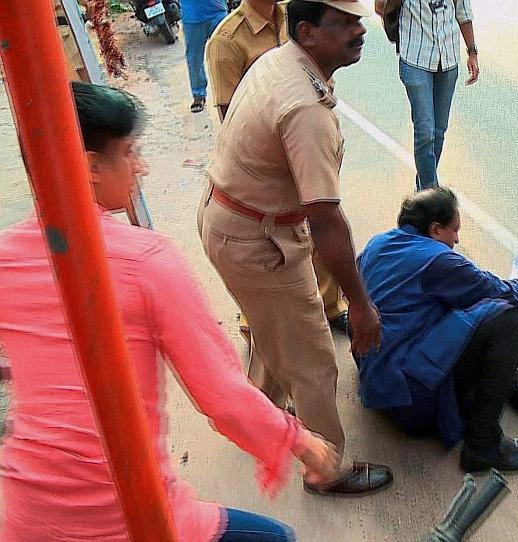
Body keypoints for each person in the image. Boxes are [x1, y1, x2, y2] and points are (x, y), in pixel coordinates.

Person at [0, 81, 340, 541]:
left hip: (24, 515)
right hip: (123, 513)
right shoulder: (146, 261)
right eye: (128, 152)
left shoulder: (6, 257)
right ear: (90, 167)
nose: (139, 166)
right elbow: (220, 393)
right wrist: (301, 443)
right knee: (276, 538)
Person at [199, 0, 393, 495]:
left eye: (357, 19)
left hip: (231, 217)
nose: (359, 29)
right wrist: (361, 304)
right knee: (313, 359)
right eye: (344, 23)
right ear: (307, 32)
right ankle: (325, 469)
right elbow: (327, 219)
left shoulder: (279, 60)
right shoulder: (305, 109)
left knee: (271, 328)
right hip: (256, 237)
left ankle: (258, 418)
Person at [356, 188, 518, 472]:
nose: (456, 239)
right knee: (504, 318)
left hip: (378, 382)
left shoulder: (376, 246)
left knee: (464, 314)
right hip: (410, 401)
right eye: (454, 231)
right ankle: (484, 444)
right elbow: (507, 296)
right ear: (435, 229)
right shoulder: (438, 260)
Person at [204, 0, 349, 342]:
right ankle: (255, 317)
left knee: (319, 226)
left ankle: (330, 304)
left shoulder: (295, 15)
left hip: (307, 145)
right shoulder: (227, 41)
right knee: (275, 254)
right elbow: (233, 118)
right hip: (267, 164)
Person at [396, 0, 480, 190]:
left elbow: (463, 13)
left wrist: (472, 52)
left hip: (448, 59)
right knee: (425, 132)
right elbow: (381, 7)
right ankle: (430, 193)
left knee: (438, 132)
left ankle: (423, 188)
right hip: (415, 57)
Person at [181, 0, 228, 112]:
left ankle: (231, 91)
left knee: (226, 54)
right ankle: (198, 95)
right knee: (194, 59)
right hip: (192, 17)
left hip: (217, 13)